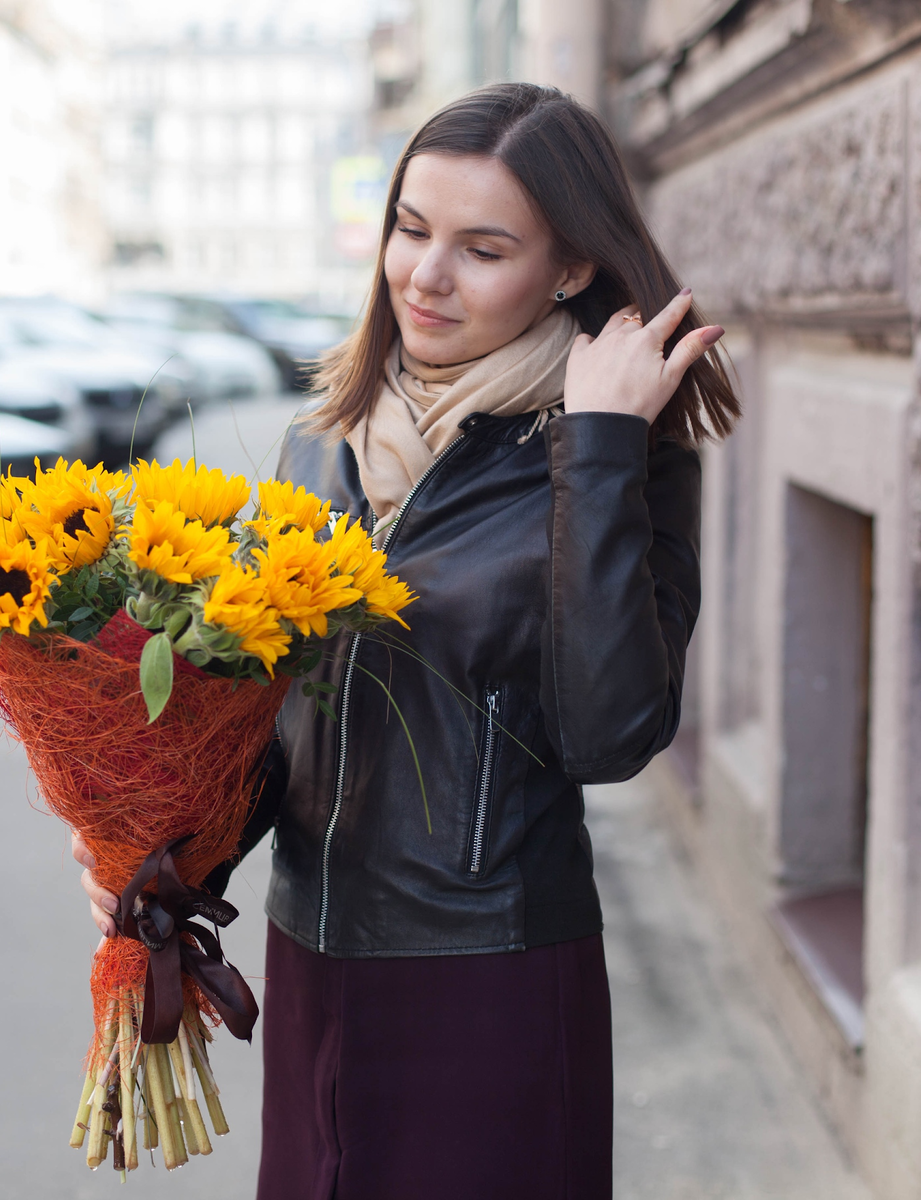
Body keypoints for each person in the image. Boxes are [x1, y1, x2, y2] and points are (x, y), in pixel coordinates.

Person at [74, 83, 738, 1200]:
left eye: (483, 249)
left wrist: (605, 450)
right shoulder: (323, 441)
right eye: (411, 229)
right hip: (314, 957)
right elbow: (278, 717)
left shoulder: (618, 456)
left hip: (490, 974)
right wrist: (174, 861)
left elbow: (611, 731)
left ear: (571, 268)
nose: (425, 275)